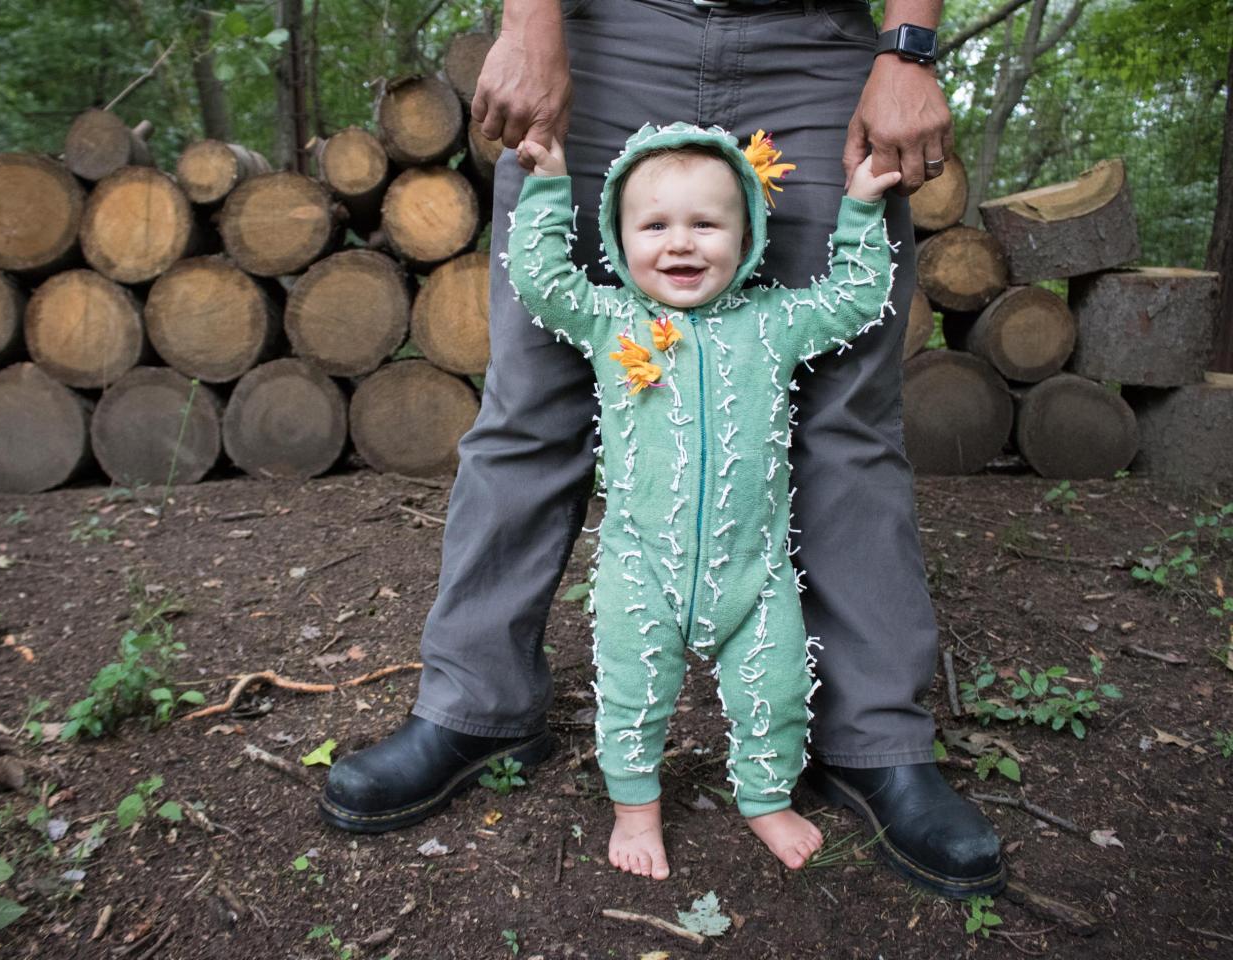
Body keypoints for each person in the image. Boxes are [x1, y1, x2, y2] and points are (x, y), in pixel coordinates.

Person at [321, 0, 1005, 898]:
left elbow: (849, 304)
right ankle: (477, 705)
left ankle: (874, 738)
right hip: (604, 32)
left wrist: (908, 47)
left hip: (815, 45)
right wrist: (528, 25)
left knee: (847, 415)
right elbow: (547, 285)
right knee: (530, 400)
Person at [507, 121, 900, 879]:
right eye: (654, 225)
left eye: (706, 224)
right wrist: (549, 185)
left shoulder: (771, 324)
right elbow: (543, 282)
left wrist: (859, 210)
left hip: (753, 571)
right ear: (619, 238)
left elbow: (855, 298)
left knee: (776, 689)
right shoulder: (610, 319)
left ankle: (765, 796)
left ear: (747, 234)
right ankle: (635, 809)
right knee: (632, 690)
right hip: (638, 568)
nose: (680, 244)